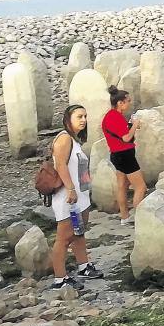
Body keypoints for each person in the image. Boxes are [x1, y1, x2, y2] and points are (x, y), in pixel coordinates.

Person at [51, 105, 103, 290]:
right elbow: (61, 166)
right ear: (68, 119)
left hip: (81, 197)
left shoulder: (75, 141)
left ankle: (84, 266)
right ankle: (60, 278)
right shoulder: (64, 139)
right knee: (64, 237)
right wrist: (70, 189)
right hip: (68, 198)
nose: (83, 120)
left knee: (79, 232)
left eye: (85, 116)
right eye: (79, 116)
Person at [102, 86, 147, 226]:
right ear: (120, 103)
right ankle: (140, 219)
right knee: (140, 187)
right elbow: (126, 138)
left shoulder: (110, 116)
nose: (129, 103)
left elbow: (120, 134)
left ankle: (124, 217)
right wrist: (135, 125)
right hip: (125, 155)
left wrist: (130, 126)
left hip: (116, 155)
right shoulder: (114, 117)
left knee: (122, 185)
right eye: (128, 101)